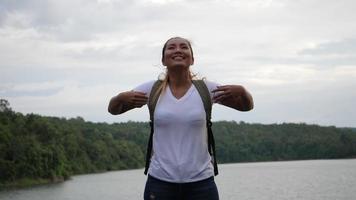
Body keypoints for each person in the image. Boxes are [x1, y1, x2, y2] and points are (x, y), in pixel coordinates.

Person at [108, 37, 254, 200]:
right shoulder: (151, 89)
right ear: (163, 60)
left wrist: (243, 92)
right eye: (171, 47)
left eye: (184, 47)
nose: (178, 50)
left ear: (192, 59)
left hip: (201, 184)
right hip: (160, 183)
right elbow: (114, 110)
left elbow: (246, 107)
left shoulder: (206, 89)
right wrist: (120, 98)